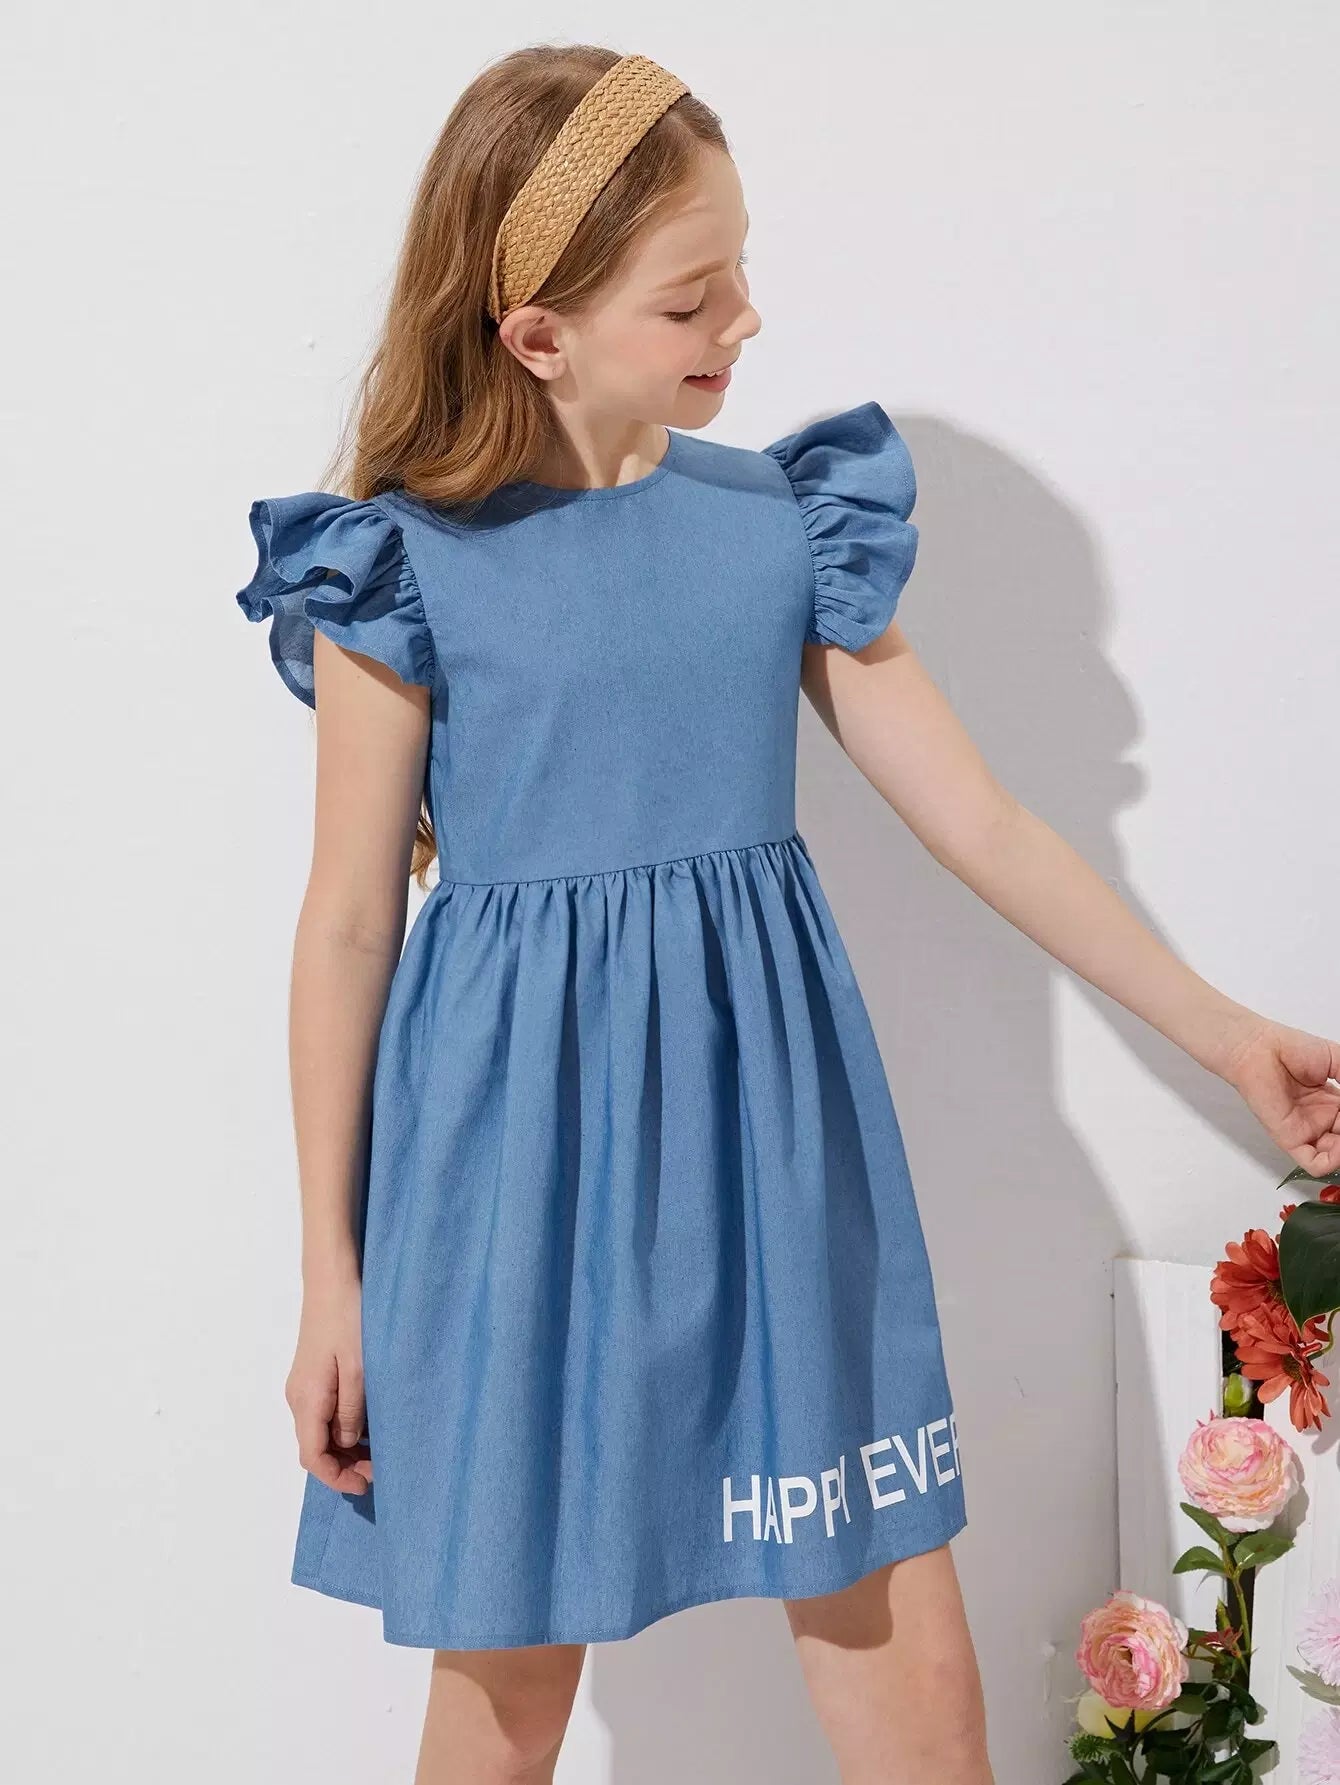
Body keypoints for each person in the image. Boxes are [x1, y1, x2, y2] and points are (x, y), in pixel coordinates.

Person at [233, 43, 1340, 1785]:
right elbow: (349, 924)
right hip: (511, 1174)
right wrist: (330, 1273)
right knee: (504, 1689)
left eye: (740, 267)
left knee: (905, 1648)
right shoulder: (398, 565)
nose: (743, 318)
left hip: (774, 1152)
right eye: (691, 297)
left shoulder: (776, 530)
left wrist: (1227, 1034)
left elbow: (982, 821)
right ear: (538, 332)